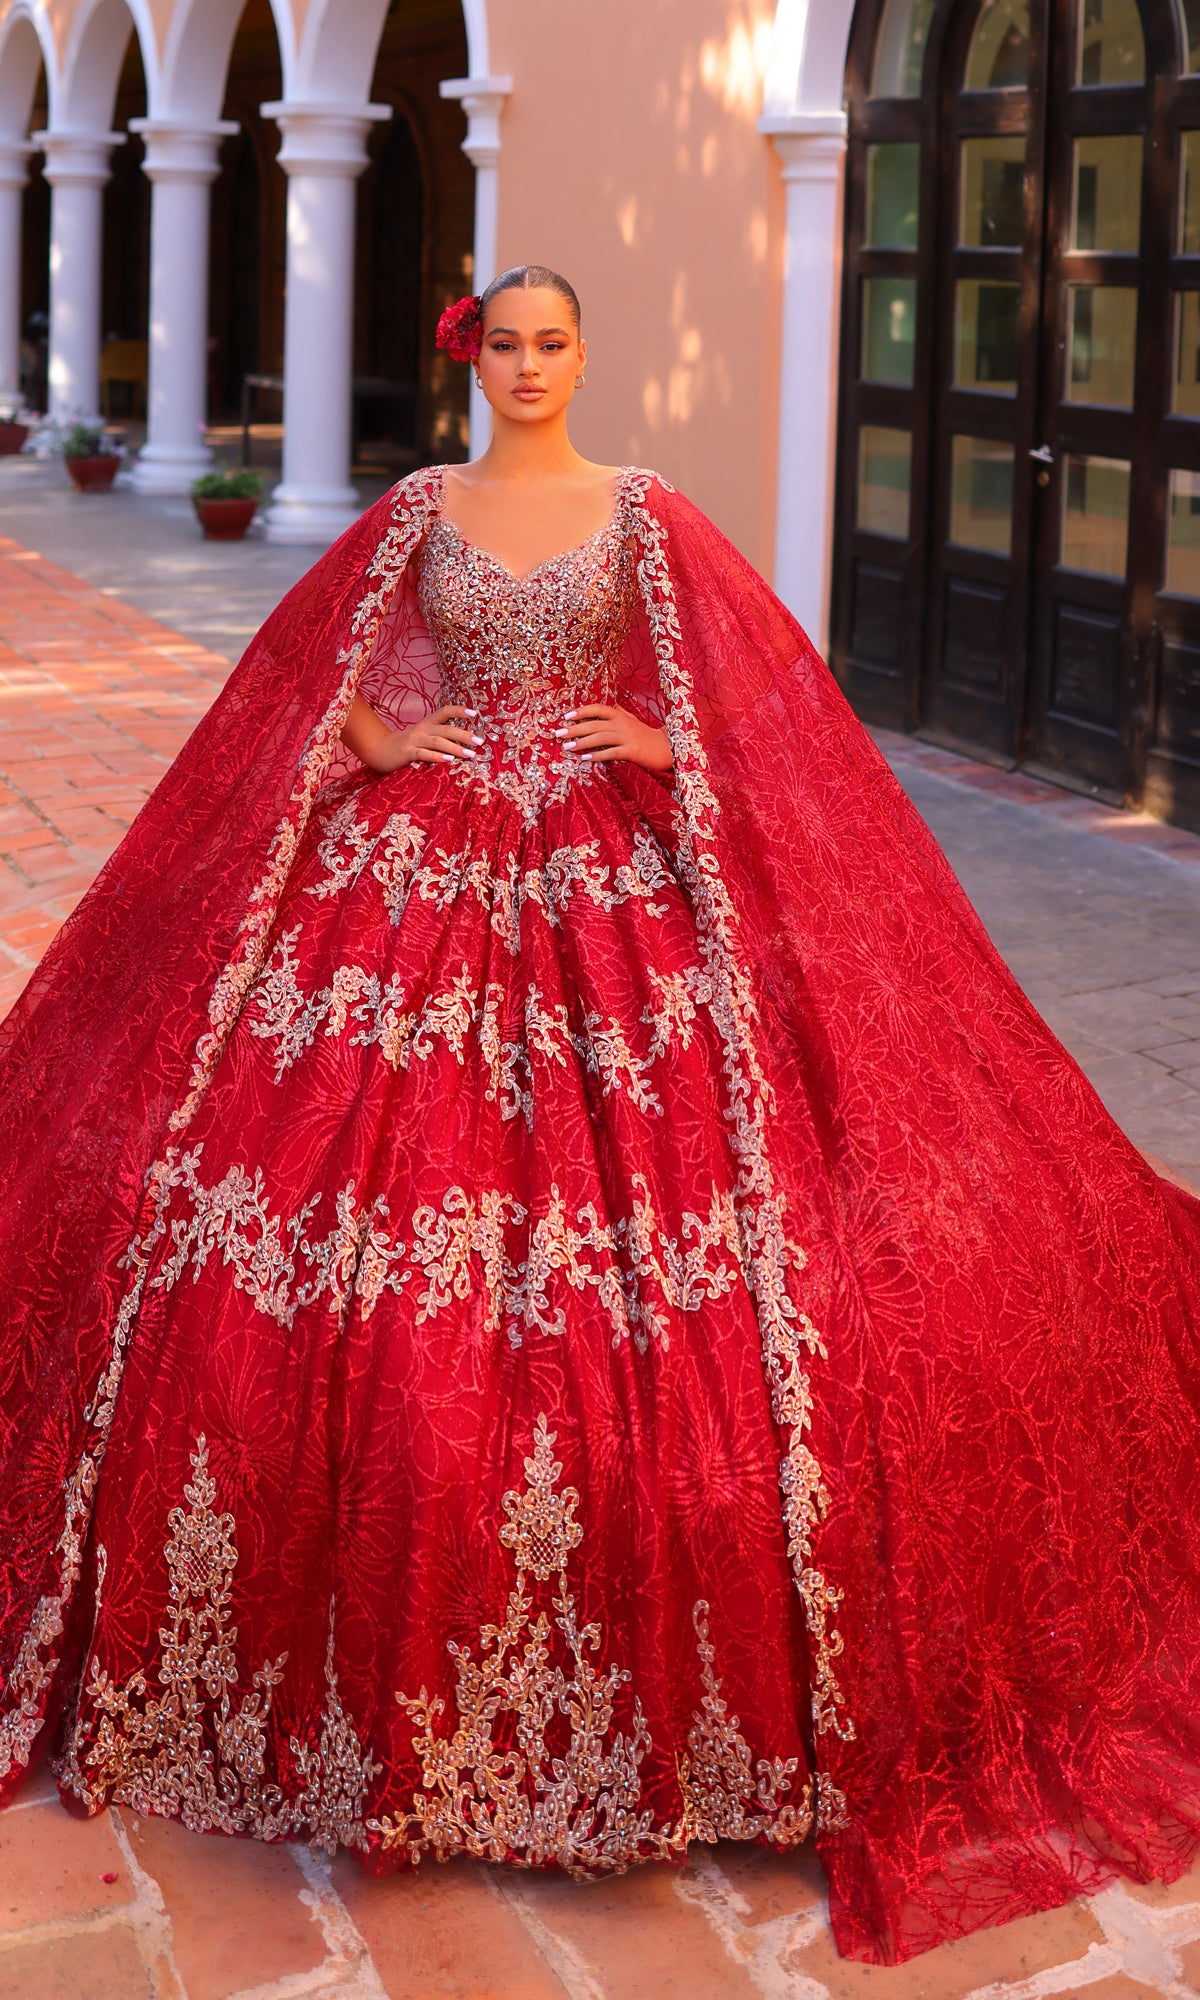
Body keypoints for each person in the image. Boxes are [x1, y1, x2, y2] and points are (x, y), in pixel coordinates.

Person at [2, 262, 1200, 1970]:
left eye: (554, 342)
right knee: (319, 1226)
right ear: (474, 356)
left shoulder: (646, 515)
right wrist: (383, 740)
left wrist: (655, 740)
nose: (531, 366)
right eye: (507, 342)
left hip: (606, 884)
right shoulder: (415, 510)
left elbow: (756, 697)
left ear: (582, 355)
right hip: (417, 876)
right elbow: (301, 671)